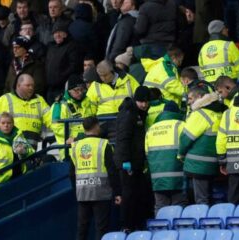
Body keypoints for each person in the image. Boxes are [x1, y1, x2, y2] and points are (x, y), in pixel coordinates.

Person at [70, 116, 122, 240]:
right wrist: (118, 193)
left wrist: (76, 191)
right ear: (96, 126)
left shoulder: (76, 146)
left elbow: (72, 173)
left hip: (82, 192)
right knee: (101, 228)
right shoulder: (103, 144)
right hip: (101, 191)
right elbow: (112, 170)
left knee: (82, 228)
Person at [114, 86, 154, 231]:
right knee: (129, 195)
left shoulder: (138, 113)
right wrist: (126, 163)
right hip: (128, 163)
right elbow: (124, 139)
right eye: (141, 101)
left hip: (136, 163)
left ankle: (136, 225)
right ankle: (126, 226)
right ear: (136, 100)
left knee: (138, 194)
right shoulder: (129, 114)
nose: (144, 104)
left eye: (146, 101)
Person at [178, 87, 225, 204]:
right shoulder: (219, 112)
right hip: (213, 163)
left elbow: (185, 139)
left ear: (200, 98)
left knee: (200, 200)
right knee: (209, 198)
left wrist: (180, 154)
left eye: (190, 98)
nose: (188, 102)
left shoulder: (200, 114)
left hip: (198, 164)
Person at [0, 74, 51, 149]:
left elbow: (52, 119)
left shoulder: (39, 101)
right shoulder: (4, 100)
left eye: (33, 86)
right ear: (18, 85)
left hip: (32, 152)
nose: (31, 88)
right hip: (9, 150)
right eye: (28, 85)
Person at [145, 102, 187, 214]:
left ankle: (159, 230)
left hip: (157, 177)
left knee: (160, 207)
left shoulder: (151, 129)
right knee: (179, 206)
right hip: (177, 175)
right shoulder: (181, 124)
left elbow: (147, 152)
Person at [50, 75, 95, 157]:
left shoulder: (89, 102)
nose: (80, 93)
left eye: (82, 89)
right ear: (69, 90)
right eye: (76, 90)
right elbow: (57, 128)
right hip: (70, 150)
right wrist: (77, 137)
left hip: (90, 146)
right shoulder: (59, 105)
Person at [0, 112, 34, 188]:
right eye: (3, 123)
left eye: (9, 123)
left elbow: (31, 152)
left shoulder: (18, 136)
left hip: (18, 176)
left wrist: (24, 151)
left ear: (13, 124)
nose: (6, 125)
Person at [45, 20, 82, 104]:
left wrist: (61, 76)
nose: (57, 35)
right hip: (50, 89)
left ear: (66, 33)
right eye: (55, 32)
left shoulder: (72, 46)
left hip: (63, 88)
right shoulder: (51, 47)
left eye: (60, 32)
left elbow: (74, 66)